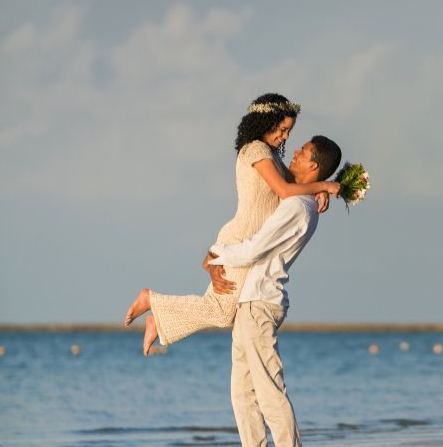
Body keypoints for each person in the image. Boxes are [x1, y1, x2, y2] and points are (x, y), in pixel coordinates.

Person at [124, 94, 340, 355]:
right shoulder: (256, 150)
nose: (285, 137)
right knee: (221, 311)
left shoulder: (269, 153)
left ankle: (157, 318)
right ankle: (152, 302)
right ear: (266, 121)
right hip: (241, 237)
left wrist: (319, 191)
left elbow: (294, 185)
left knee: (219, 308)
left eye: (289, 132)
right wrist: (324, 185)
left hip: (246, 239)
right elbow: (284, 190)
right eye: (282, 129)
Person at [206, 136, 342, 447]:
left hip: (260, 302)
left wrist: (216, 254)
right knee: (243, 393)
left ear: (314, 165)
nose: (294, 152)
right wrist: (324, 188)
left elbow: (256, 249)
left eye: (303, 151)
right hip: (251, 301)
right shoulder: (301, 199)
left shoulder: (297, 206)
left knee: (268, 392)